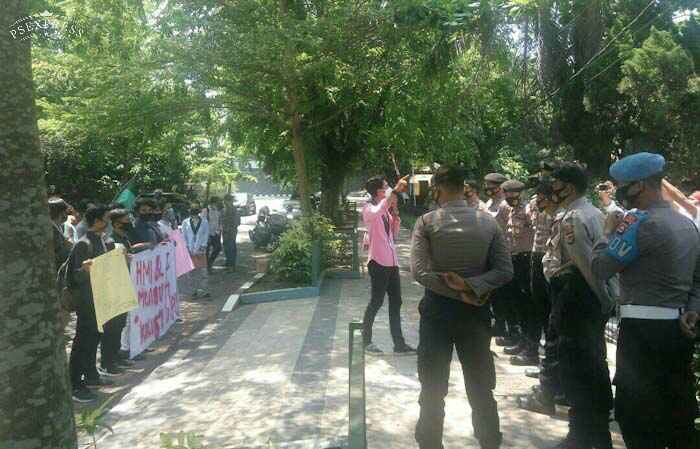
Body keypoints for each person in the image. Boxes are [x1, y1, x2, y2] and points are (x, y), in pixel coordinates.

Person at [591, 153, 700, 449]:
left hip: (641, 334)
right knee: (677, 415)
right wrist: (692, 310)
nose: (619, 192)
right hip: (678, 330)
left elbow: (600, 268)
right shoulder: (687, 224)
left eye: (622, 186)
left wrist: (607, 232)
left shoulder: (639, 224)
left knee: (636, 417)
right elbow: (698, 280)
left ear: (639, 185)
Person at [411, 165, 513, 449]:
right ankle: (490, 441)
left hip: (437, 313)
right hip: (475, 313)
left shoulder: (427, 222)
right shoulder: (488, 223)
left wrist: (457, 290)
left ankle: (430, 443)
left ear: (438, 188)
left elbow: (420, 272)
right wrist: (471, 288)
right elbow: (505, 271)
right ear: (463, 187)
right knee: (481, 387)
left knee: (432, 388)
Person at [541, 163, 617, 449]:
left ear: (569, 188)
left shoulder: (574, 218)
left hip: (578, 298)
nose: (552, 189)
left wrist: (604, 300)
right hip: (585, 299)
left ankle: (583, 435)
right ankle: (593, 434)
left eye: (556, 184)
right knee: (592, 362)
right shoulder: (591, 212)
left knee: (577, 366)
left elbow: (587, 265)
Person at [518, 179, 565, 416]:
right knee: (548, 324)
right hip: (547, 270)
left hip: (561, 281)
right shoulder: (556, 214)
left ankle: (555, 387)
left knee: (556, 331)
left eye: (543, 197)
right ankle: (553, 383)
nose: (539, 201)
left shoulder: (567, 217)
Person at [361, 175, 415, 354]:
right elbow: (378, 211)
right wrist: (395, 192)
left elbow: (393, 234)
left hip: (391, 262)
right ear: (379, 191)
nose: (388, 189)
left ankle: (399, 344)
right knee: (376, 302)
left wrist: (396, 215)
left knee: (396, 302)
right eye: (386, 187)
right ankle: (366, 341)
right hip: (378, 262)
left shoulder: (385, 211)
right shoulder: (369, 209)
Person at [67, 205, 114, 403]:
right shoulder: (83, 244)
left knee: (95, 338)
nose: (109, 222)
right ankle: (75, 384)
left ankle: (91, 375)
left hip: (99, 300)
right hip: (87, 302)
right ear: (96, 221)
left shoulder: (101, 240)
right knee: (82, 342)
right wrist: (84, 270)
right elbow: (74, 277)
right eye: (106, 219)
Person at [500, 180, 538, 366]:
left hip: (526, 259)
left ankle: (531, 347)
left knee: (527, 305)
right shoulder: (511, 211)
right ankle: (522, 341)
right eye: (507, 194)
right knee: (518, 304)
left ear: (519, 194)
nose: (509, 197)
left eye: (512, 194)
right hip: (513, 259)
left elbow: (537, 232)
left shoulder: (528, 210)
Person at [182, 204, 210, 299]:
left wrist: (203, 247)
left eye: (195, 211)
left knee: (203, 272)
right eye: (192, 211)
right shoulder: (185, 222)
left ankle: (204, 290)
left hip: (201, 250)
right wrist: (186, 248)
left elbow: (206, 235)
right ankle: (193, 291)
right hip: (189, 250)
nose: (193, 213)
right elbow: (184, 236)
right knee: (191, 273)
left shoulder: (204, 221)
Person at [221, 194, 240, 271]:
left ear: (229, 201)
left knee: (231, 248)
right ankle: (228, 262)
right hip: (225, 231)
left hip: (231, 232)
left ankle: (231, 266)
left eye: (225, 201)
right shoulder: (224, 209)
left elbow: (237, 222)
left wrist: (230, 228)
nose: (224, 202)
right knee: (226, 247)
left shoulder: (234, 210)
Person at [205, 197, 223, 273]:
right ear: (213, 202)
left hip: (216, 233)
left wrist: (219, 230)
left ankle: (210, 262)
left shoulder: (217, 210)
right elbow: (203, 223)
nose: (218, 203)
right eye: (217, 202)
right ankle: (208, 267)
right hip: (207, 234)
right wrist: (206, 235)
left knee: (218, 248)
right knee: (206, 251)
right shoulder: (206, 210)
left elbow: (219, 221)